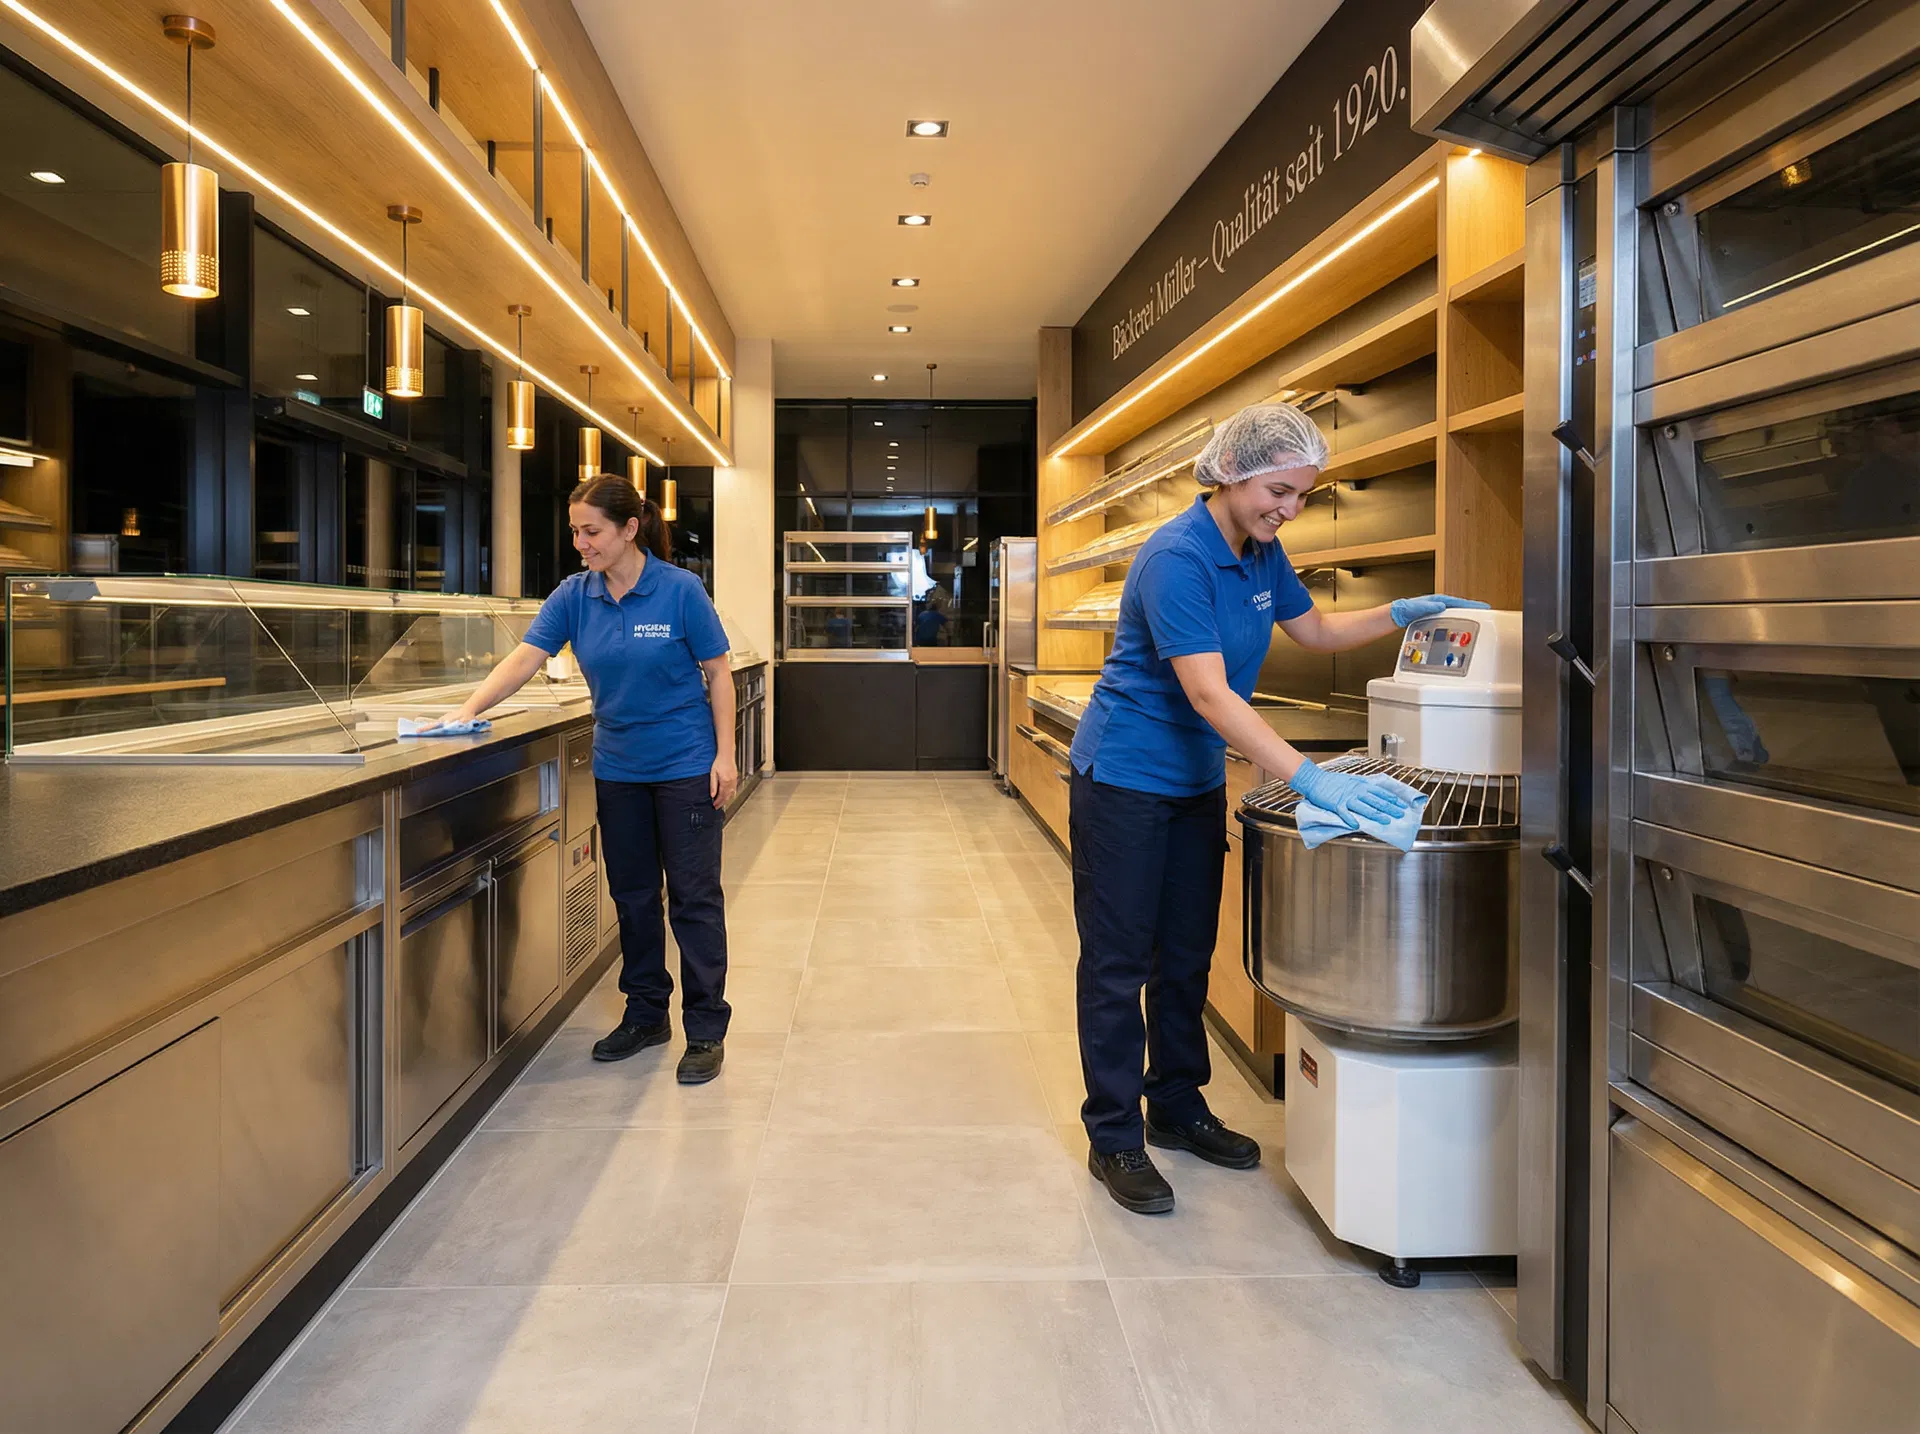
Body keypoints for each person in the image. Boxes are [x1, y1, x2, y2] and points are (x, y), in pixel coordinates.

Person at [1067, 401, 1488, 1215]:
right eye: (1280, 492)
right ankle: (1114, 1134)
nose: (1289, 510)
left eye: (1300, 497)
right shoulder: (1176, 559)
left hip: (1191, 781)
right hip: (1123, 778)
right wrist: (1313, 778)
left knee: (1186, 955)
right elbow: (1208, 693)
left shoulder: (1261, 551)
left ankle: (1178, 1107)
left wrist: (1400, 616)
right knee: (1120, 964)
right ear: (1232, 471)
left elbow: (1318, 631)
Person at [440, 474, 739, 1085]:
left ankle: (705, 1027)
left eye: (592, 531)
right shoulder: (575, 595)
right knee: (631, 897)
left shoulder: (680, 591)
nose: (581, 542)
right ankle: (646, 1014)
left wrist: (725, 756)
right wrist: (470, 710)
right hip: (619, 769)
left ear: (630, 530)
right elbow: (526, 657)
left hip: (685, 766)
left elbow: (719, 673)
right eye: (575, 531)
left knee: (693, 899)